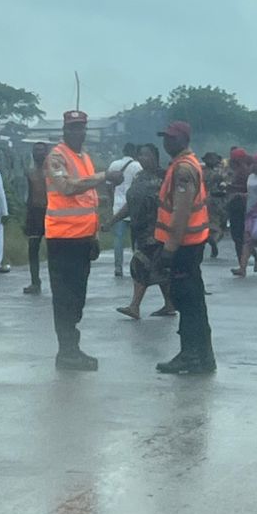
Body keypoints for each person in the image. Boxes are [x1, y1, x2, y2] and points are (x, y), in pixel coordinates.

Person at [44, 111, 107, 371]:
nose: (76, 132)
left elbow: (89, 200)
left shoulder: (84, 158)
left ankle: (72, 347)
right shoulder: (56, 157)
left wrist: (95, 235)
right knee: (65, 297)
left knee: (78, 297)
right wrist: (104, 177)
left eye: (80, 128)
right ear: (64, 130)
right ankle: (67, 351)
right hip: (62, 238)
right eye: (72, 128)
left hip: (82, 238)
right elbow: (67, 188)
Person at [153, 121, 216, 374]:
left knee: (187, 302)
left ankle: (191, 355)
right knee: (195, 302)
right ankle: (203, 356)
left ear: (183, 140)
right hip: (192, 243)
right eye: (165, 137)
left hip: (184, 246)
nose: (166, 142)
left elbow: (180, 212)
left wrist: (169, 248)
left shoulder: (183, 170)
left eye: (172, 138)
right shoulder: (187, 163)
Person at [108, 143, 176, 320]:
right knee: (159, 268)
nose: (142, 158)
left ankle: (134, 306)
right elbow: (130, 204)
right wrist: (111, 221)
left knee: (140, 265)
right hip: (139, 230)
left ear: (155, 156)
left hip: (158, 232)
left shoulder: (165, 177)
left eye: (146, 154)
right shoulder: (139, 177)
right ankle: (169, 304)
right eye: (140, 155)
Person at [106, 143, 142, 278]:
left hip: (118, 206)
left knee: (118, 238)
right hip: (133, 207)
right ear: (134, 152)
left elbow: (108, 186)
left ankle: (118, 268)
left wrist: (112, 202)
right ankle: (138, 266)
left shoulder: (114, 165)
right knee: (136, 239)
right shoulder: (137, 166)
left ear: (123, 151)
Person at [225, 147, 257, 269]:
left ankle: (245, 264)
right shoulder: (242, 171)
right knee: (240, 237)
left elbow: (249, 190)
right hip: (238, 205)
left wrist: (231, 188)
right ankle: (246, 263)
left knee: (239, 237)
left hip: (240, 206)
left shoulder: (243, 172)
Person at [23, 142, 50, 295]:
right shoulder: (30, 173)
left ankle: (57, 281)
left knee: (54, 249)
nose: (38, 153)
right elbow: (28, 196)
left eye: (41, 151)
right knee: (33, 249)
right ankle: (35, 281)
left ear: (46, 153)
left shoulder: (52, 173)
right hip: (34, 213)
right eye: (35, 151)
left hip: (50, 213)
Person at [202, 152, 226, 258]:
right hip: (214, 201)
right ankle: (213, 240)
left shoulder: (200, 172)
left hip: (202, 200)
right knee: (217, 224)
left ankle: (206, 239)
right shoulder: (216, 175)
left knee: (205, 224)